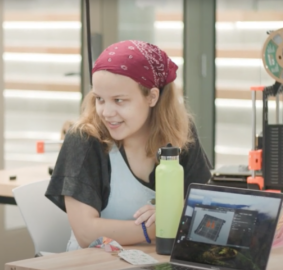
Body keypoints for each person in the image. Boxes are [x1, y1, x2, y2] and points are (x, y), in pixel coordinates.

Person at [46, 40, 212, 251]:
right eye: (100, 99)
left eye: (119, 100)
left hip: (156, 263)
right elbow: (86, 233)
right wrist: (161, 225)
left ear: (152, 97)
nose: (106, 112)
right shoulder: (83, 140)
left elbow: (204, 210)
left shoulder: (181, 134)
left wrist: (178, 217)